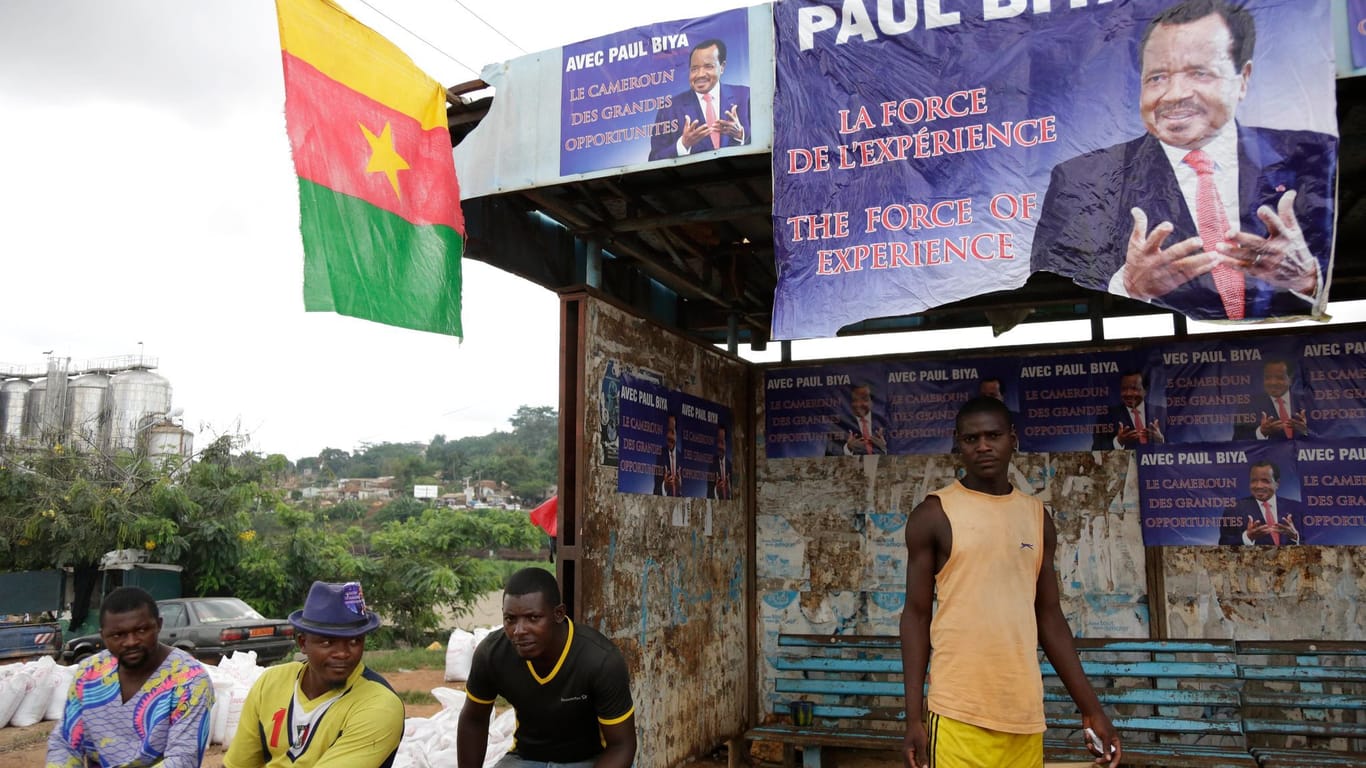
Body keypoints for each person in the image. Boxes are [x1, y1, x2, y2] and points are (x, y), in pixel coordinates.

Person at [1031, 0, 1336, 321]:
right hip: (1154, 351)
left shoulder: (1312, 158)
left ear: (1243, 79)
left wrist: (1308, 279)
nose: (1174, 94)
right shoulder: (1081, 179)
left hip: (1297, 344)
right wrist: (1128, 286)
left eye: (1199, 73)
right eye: (1158, 78)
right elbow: (1043, 296)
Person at [901, 397, 1121, 768]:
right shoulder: (934, 514)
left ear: (1013, 439)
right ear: (958, 443)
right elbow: (916, 617)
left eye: (994, 435)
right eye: (972, 439)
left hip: (1024, 715)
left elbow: (1049, 617)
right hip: (958, 712)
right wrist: (912, 718)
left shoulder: (1036, 517)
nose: (983, 446)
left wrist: (1091, 709)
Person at [457, 568, 636, 768]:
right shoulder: (492, 654)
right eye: (510, 619)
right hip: (525, 759)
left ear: (558, 614)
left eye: (533, 618)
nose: (519, 631)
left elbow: (621, 745)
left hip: (589, 761)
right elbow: (474, 719)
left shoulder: (600, 660)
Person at [223, 581, 403, 768]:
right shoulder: (271, 682)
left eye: (354, 641)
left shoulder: (379, 705)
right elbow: (236, 764)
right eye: (327, 642)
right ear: (303, 643)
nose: (342, 653)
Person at [47, 587, 215, 768]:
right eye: (118, 635)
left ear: (158, 625)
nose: (131, 642)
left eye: (141, 630)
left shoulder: (189, 679)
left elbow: (183, 759)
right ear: (103, 635)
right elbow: (65, 742)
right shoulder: (90, 672)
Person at [647, 38, 750, 161]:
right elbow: (654, 158)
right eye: (694, 69)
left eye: (708, 66)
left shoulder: (745, 95)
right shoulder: (669, 108)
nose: (700, 74)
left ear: (722, 67)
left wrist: (740, 135)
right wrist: (683, 144)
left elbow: (770, 141)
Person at [1218, 460, 1301, 545]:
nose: (1258, 486)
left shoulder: (1296, 508)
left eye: (1265, 481)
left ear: (1277, 483)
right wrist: (1247, 537)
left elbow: (1309, 542)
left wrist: (1295, 537)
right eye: (1254, 481)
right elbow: (1224, 545)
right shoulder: (1234, 510)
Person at [1232, 358, 1308, 440]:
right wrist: (1261, 432)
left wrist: (1305, 431)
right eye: (1268, 377)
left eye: (1279, 377)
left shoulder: (1305, 401)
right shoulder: (1248, 405)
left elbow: (1321, 435)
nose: (1273, 382)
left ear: (1290, 379)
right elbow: (1238, 440)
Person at [1093, 369, 1165, 450]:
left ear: (1145, 390)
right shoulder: (1106, 416)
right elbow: (1096, 449)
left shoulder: (1161, 413)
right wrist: (1118, 441)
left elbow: (1178, 447)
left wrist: (1161, 440)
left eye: (1134, 388)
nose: (1128, 393)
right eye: (1124, 389)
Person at [827, 381, 888, 456]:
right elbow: (829, 453)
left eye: (864, 399)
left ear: (872, 402)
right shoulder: (838, 424)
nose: (859, 404)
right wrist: (848, 448)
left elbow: (900, 452)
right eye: (855, 400)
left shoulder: (885, 422)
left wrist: (884, 448)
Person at [654, 413, 681, 496]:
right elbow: (656, 491)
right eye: (667, 431)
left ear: (677, 434)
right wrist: (664, 486)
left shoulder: (683, 458)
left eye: (672, 432)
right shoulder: (660, 455)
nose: (669, 436)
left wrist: (679, 487)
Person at [708, 423, 732, 500]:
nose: (719, 446)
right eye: (717, 442)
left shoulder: (731, 467)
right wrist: (716, 490)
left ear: (726, 444)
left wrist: (730, 490)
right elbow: (709, 494)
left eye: (722, 442)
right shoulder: (711, 466)